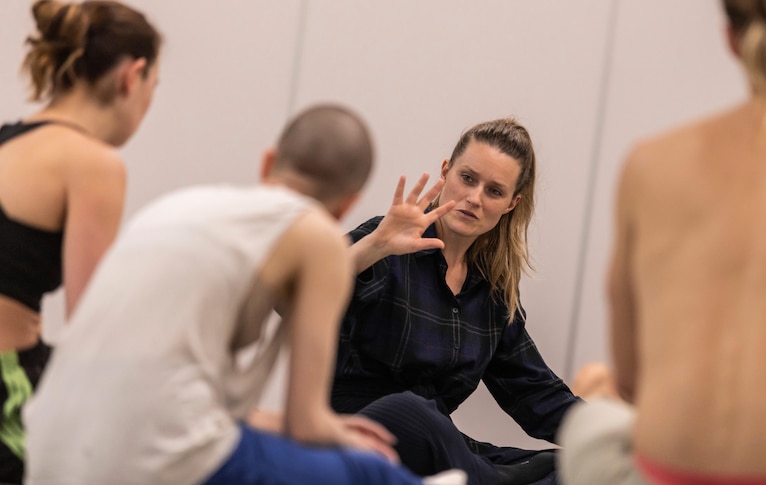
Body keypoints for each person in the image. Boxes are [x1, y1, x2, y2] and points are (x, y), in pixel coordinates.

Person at [22, 104, 467, 485]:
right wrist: (341, 434)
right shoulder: (316, 236)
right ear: (348, 203)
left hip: (49, 445)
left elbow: (184, 396)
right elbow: (306, 421)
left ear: (268, 161)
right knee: (371, 471)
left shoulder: (179, 206)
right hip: (151, 453)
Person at [558, 1, 766, 484]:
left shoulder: (650, 164)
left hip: (662, 475)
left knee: (594, 410)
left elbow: (633, 380)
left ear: (732, 40)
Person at [332, 118, 582, 485]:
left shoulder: (492, 294)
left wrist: (616, 441)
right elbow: (295, 292)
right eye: (468, 178)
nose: (475, 198)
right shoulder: (386, 240)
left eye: (494, 191)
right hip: (360, 429)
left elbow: (537, 393)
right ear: (446, 171)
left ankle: (482, 476)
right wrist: (373, 248)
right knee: (409, 410)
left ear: (511, 204)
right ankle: (490, 478)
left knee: (581, 469)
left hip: (440, 445)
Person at [0, 1, 160, 481]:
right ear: (132, 77)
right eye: (154, 88)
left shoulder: (9, 138)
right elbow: (92, 322)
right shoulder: (93, 162)